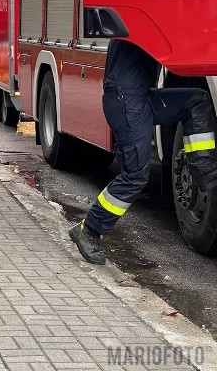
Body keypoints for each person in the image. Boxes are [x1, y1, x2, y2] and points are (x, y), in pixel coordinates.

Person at [69, 39, 217, 265]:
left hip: (140, 97)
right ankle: (88, 229)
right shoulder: (136, 17)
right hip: (127, 101)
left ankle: (207, 175)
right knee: (135, 175)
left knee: (196, 101)